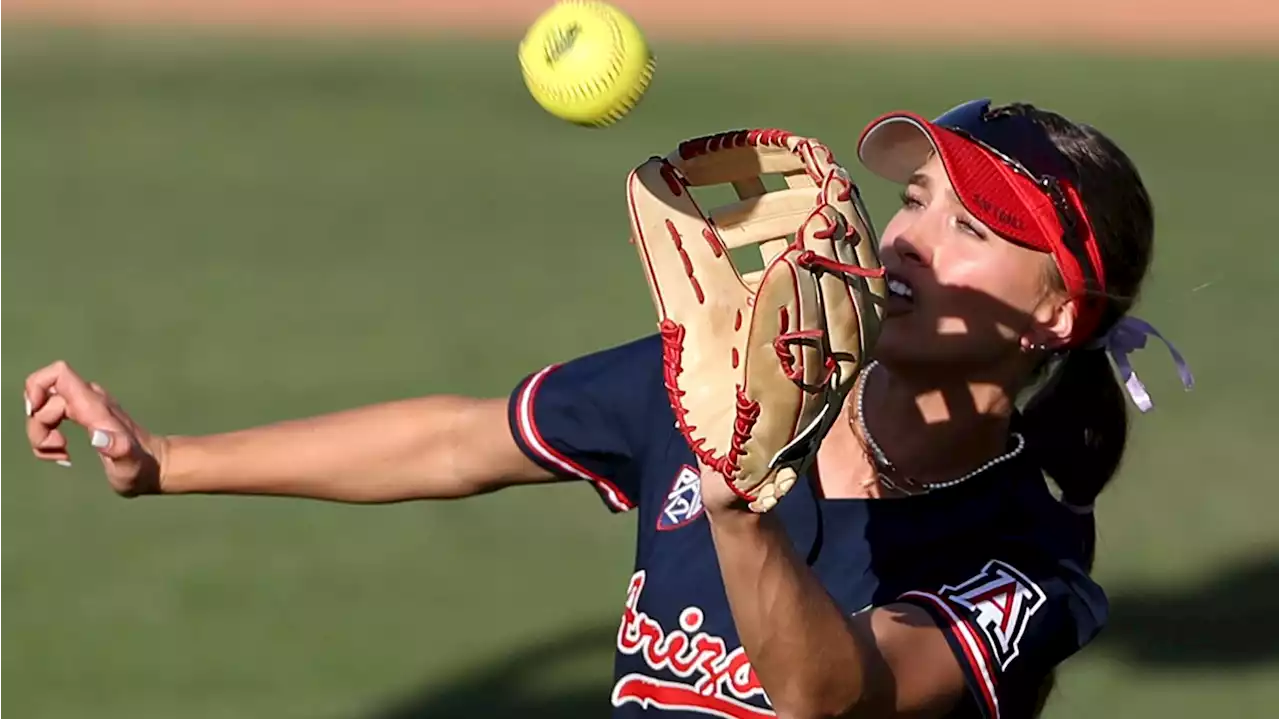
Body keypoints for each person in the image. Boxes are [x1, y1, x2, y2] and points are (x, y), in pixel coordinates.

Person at [23, 98, 1192, 719]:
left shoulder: (1025, 556)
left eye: (973, 231)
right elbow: (454, 438)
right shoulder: (717, 376)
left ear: (1057, 316)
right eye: (917, 197)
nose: (906, 237)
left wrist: (739, 509)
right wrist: (166, 455)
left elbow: (833, 697)